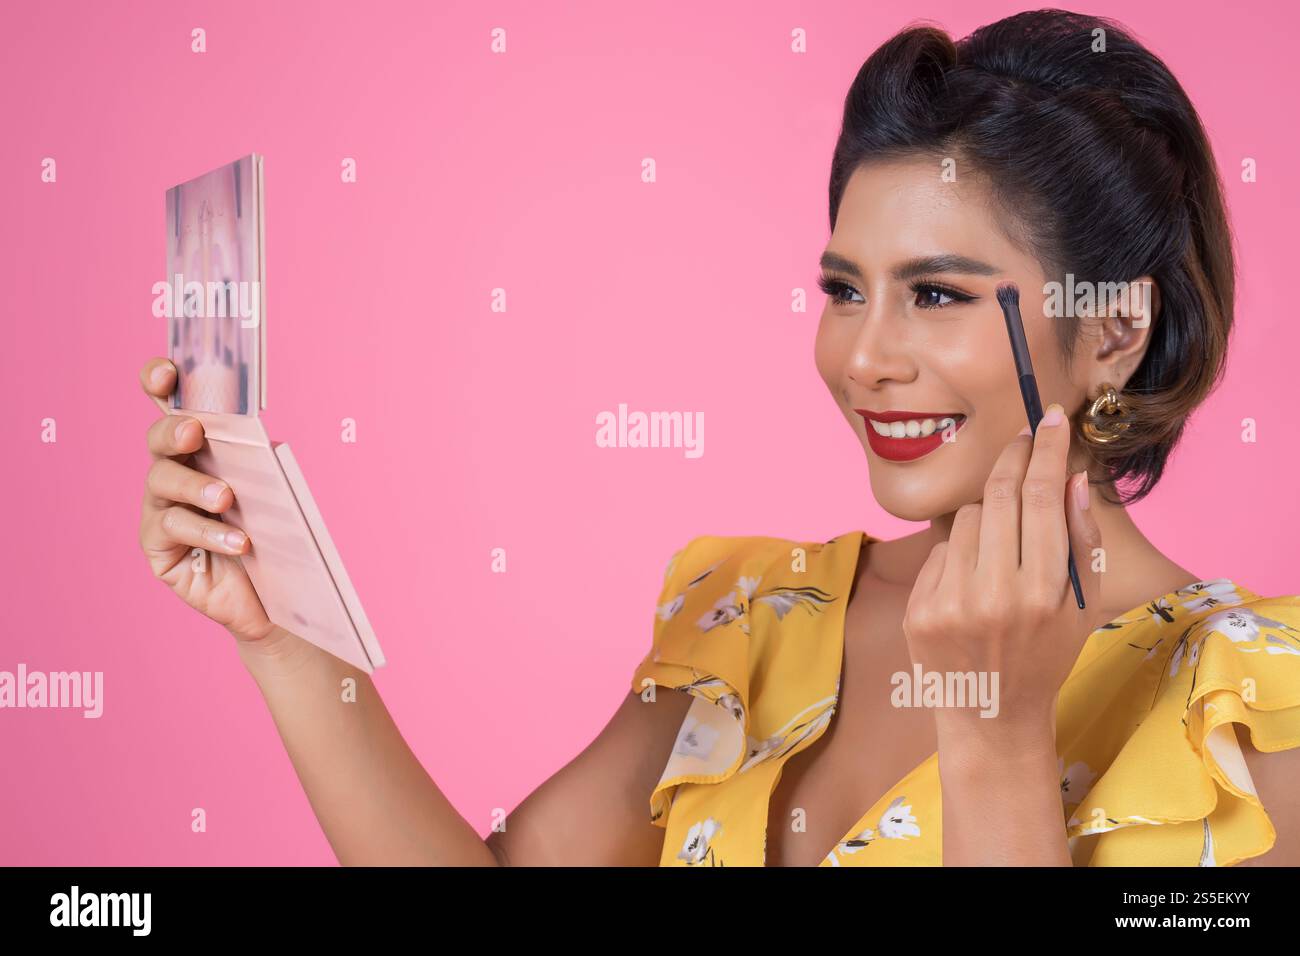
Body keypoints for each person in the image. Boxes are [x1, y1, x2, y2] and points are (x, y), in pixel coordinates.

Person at [136, 9, 1300, 866]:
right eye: (845, 289)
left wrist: (994, 748)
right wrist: (282, 631)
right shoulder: (754, 614)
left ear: (1110, 333)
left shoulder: (1253, 709)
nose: (863, 357)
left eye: (937, 294)